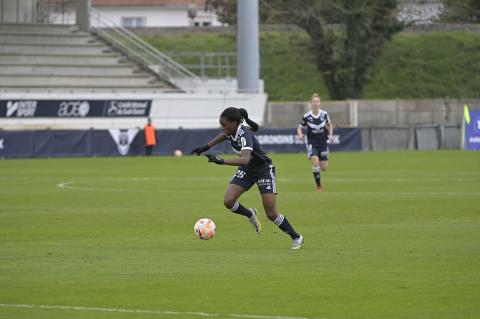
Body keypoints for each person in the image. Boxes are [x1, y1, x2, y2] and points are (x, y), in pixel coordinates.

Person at [191, 107, 304, 250]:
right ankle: (250, 214)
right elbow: (224, 135)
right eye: (222, 125)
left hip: (263, 170)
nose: (223, 128)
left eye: (225, 125)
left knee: (271, 213)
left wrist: (221, 161)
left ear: (234, 123)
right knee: (228, 201)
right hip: (248, 170)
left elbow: (244, 159)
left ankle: (296, 237)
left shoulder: (244, 134)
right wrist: (205, 147)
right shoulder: (230, 131)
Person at [297, 93, 333, 192]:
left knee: (324, 168)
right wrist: (300, 135)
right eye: (314, 101)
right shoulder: (307, 116)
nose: (315, 103)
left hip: (323, 143)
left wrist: (330, 135)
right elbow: (300, 127)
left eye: (317, 101)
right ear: (311, 103)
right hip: (312, 143)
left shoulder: (324, 114)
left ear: (320, 103)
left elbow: (329, 125)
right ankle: (319, 186)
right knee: (315, 162)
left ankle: (319, 175)